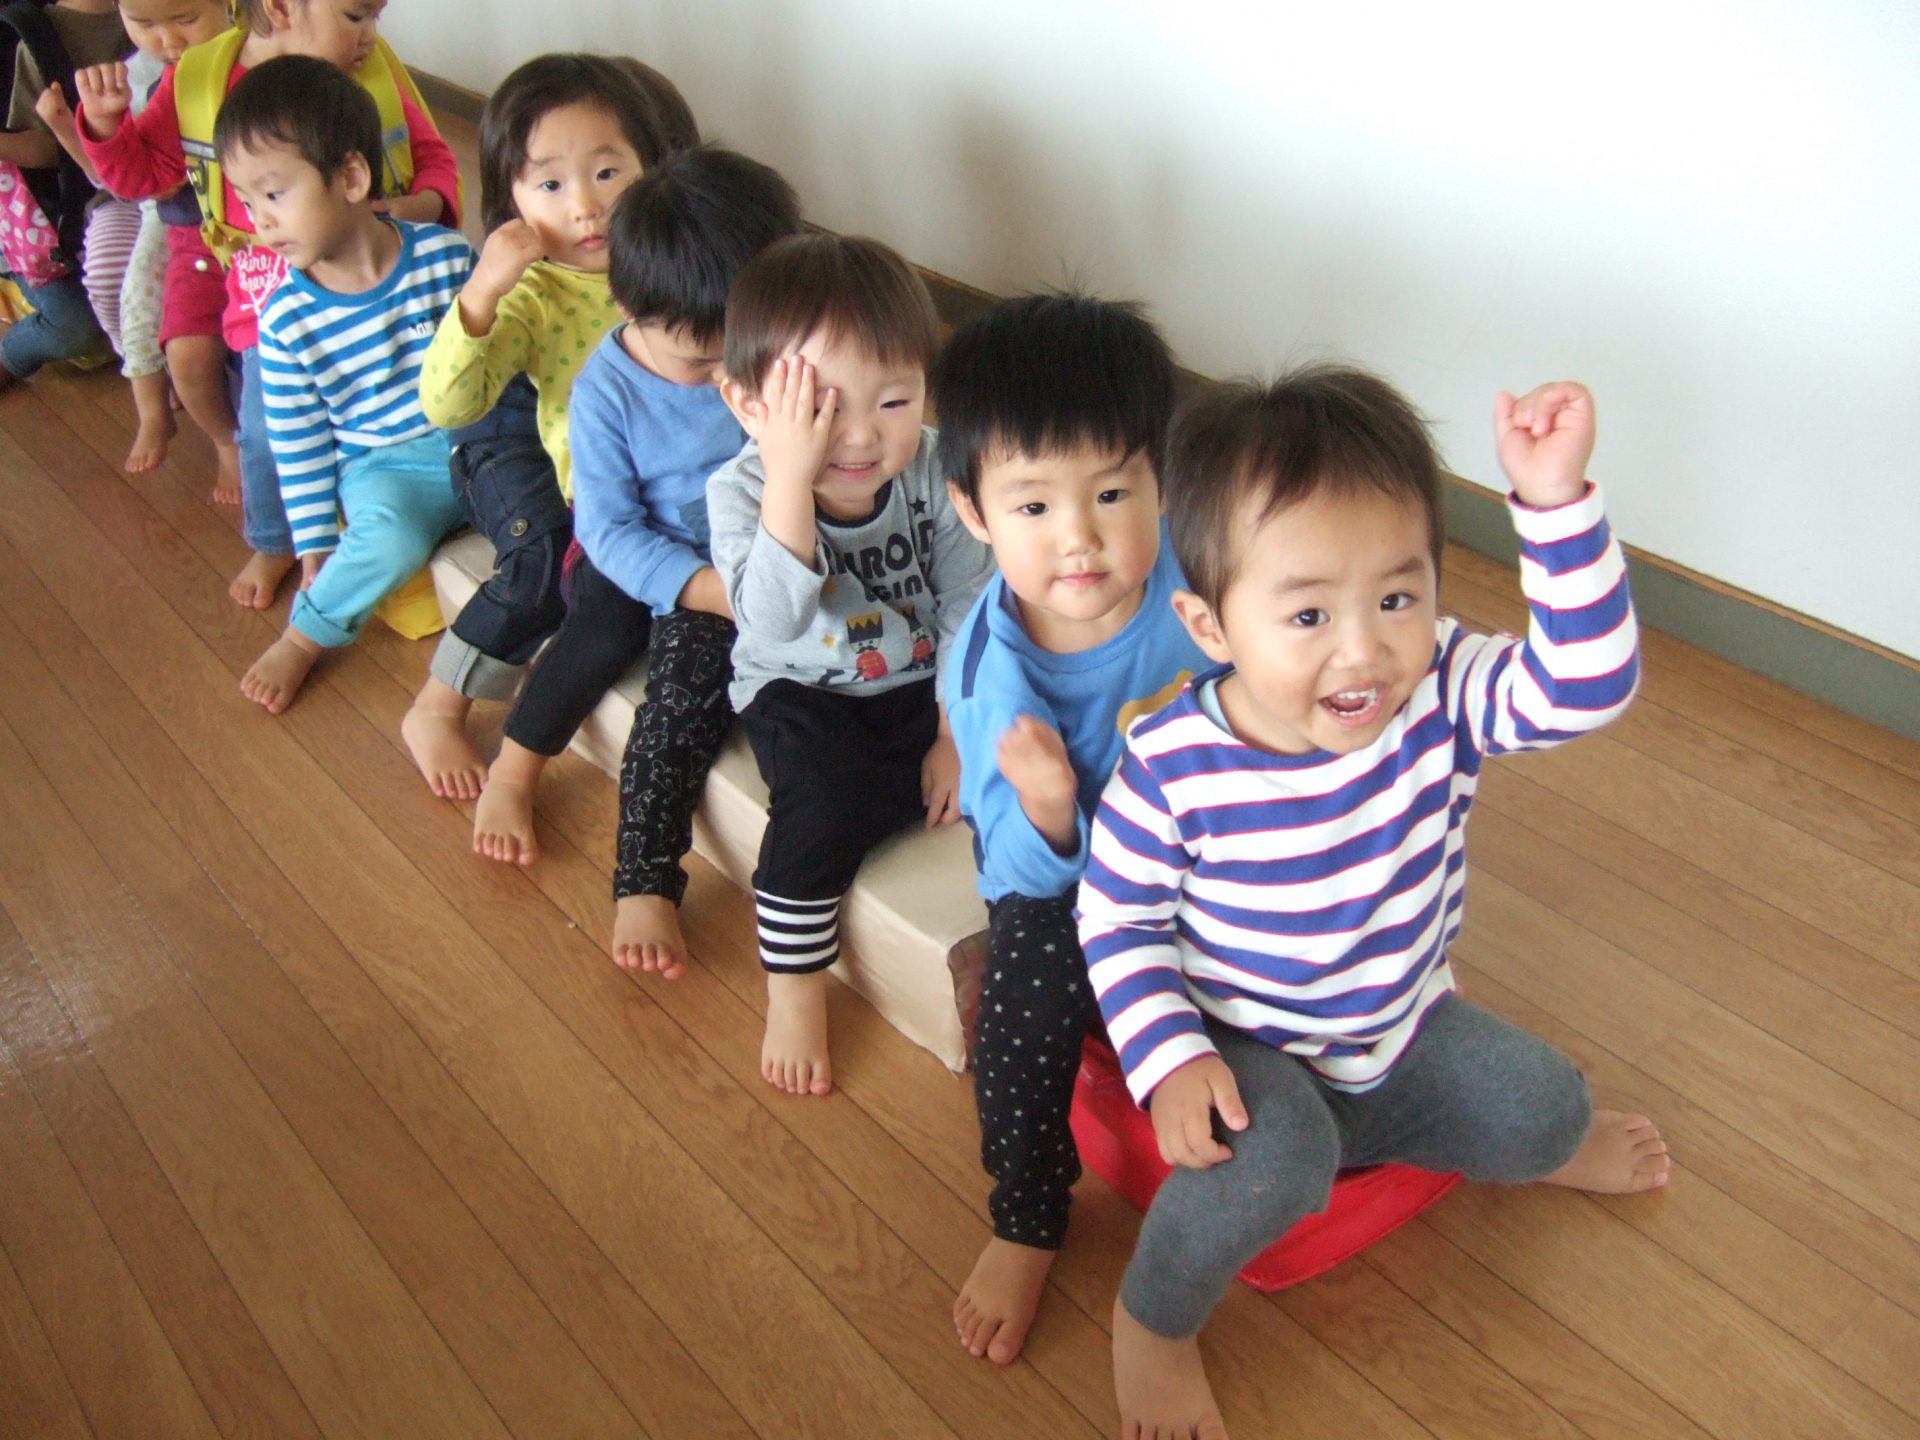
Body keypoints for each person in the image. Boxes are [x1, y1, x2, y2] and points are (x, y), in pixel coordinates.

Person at [1076, 366, 1669, 1439]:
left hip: (1399, 1027)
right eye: (1307, 613)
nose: (1363, 651)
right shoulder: (1172, 765)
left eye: (1397, 598)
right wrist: (1168, 1057)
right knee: (1272, 1160)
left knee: (1549, 1109)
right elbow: (1117, 921)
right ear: (1210, 626)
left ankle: (1448, 1141)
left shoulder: (1440, 684)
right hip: (1245, 1046)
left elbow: (1587, 686)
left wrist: (1554, 503)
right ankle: (1152, 1321)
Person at [932, 291, 1205, 1365]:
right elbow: (1017, 873)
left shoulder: (1193, 568)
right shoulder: (989, 676)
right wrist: (1050, 810)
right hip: (1070, 876)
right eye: (1035, 505)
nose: (1080, 537)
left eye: (1112, 493)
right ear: (973, 511)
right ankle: (1028, 1214)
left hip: (1209, 839)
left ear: (1162, 483)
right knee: (1027, 1001)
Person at [467, 144, 799, 971]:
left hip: (771, 551)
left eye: (741, 355)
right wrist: (703, 589)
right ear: (626, 299)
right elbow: (611, 529)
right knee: (621, 651)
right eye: (702, 362)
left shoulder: (782, 350)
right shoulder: (607, 389)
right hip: (651, 557)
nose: (726, 379)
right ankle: (543, 792)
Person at [707, 232, 993, 1097]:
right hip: (802, 686)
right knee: (824, 802)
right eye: (820, 409)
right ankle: (793, 985)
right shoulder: (743, 491)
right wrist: (790, 482)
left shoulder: (934, 469)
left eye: (894, 401)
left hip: (918, 679)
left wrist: (953, 734)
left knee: (1020, 734)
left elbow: (967, 604)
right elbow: (772, 619)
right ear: (749, 406)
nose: (862, 436)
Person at [75, 0, 460, 609]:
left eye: (374, 17)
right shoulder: (198, 79)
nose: (370, 35)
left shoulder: (370, 76)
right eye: (355, 16)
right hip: (265, 295)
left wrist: (426, 205)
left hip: (377, 282)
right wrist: (104, 126)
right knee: (264, 429)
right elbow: (143, 176)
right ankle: (277, 539)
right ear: (280, 7)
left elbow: (433, 155)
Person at [403, 52, 671, 807]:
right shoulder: (531, 292)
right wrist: (484, 290)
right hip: (502, 437)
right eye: (550, 185)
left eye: (608, 172)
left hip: (613, 461)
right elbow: (448, 405)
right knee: (544, 557)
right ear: (512, 203)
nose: (586, 206)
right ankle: (437, 706)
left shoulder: (671, 265)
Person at [212, 54, 470, 713]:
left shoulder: (445, 257)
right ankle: (304, 637)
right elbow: (298, 444)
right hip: (384, 468)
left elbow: (500, 355)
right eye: (247, 201)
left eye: (274, 194)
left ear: (352, 177)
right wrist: (314, 546)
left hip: (478, 440)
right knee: (390, 538)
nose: (259, 220)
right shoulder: (286, 322)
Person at [30, 0, 231, 474]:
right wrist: (87, 126)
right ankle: (155, 408)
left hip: (237, 214)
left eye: (185, 20)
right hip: (172, 213)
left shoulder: (242, 57)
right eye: (143, 24)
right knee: (136, 295)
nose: (168, 40)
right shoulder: (143, 76)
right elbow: (131, 182)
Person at [0, 0, 123, 387]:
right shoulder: (31, 37)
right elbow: (41, 149)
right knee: (74, 326)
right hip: (48, 221)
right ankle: (9, 355)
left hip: (136, 194)